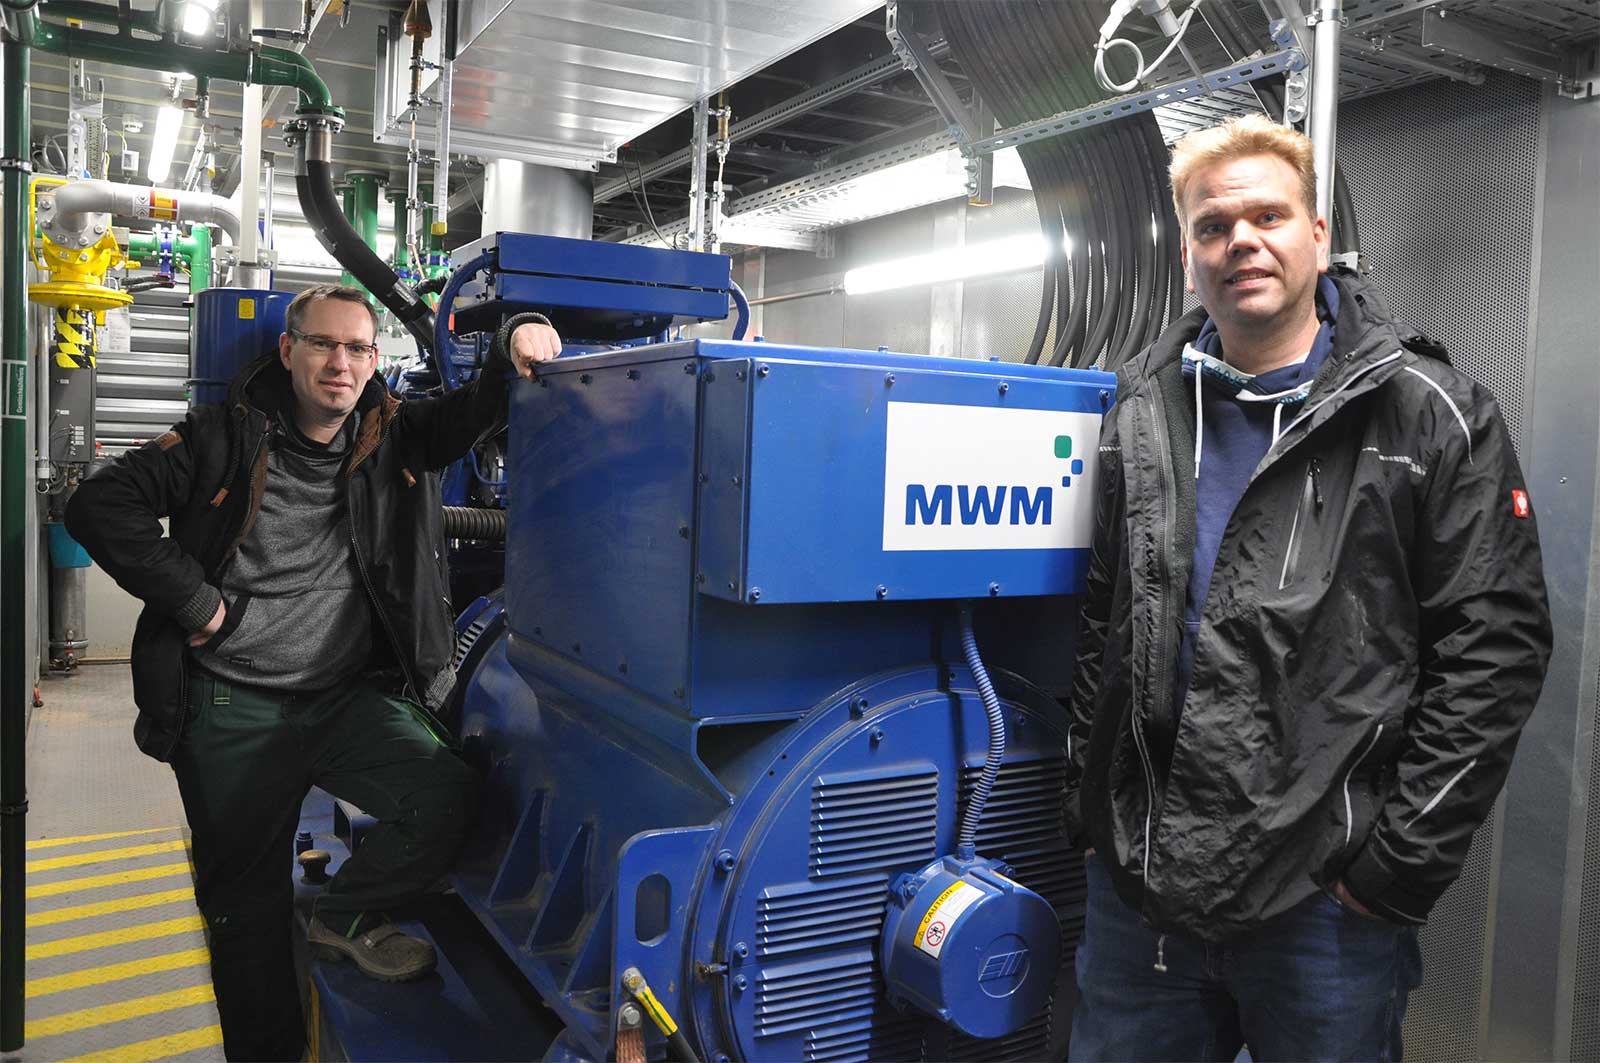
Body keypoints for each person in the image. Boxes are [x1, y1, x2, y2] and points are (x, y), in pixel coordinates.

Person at [1063, 114, 1551, 1060]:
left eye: (1268, 217)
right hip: (1143, 894)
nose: (1240, 240)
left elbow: (1496, 654)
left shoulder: (1431, 414)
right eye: (1212, 226)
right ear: (1189, 255)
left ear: (1318, 235)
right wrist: (1093, 810)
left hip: (1324, 910)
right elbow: (1104, 619)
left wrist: (1392, 870)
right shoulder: (1142, 411)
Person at [66, 284, 560, 1061]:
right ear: (289, 349)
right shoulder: (221, 437)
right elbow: (97, 505)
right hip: (232, 702)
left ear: (374, 360)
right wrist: (200, 604)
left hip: (339, 699)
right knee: (247, 911)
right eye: (324, 345)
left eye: (359, 348)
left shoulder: (394, 435)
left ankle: (348, 912)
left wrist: (518, 336)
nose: (341, 363)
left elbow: (473, 411)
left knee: (445, 794)